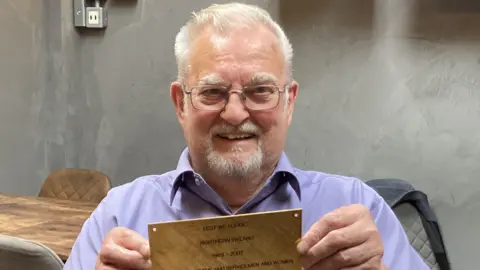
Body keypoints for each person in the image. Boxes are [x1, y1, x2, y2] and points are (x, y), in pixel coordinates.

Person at [64, 3, 430, 270]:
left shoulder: (356, 209)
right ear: (180, 104)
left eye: (260, 91)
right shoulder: (117, 217)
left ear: (289, 102)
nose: (236, 114)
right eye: (212, 92)